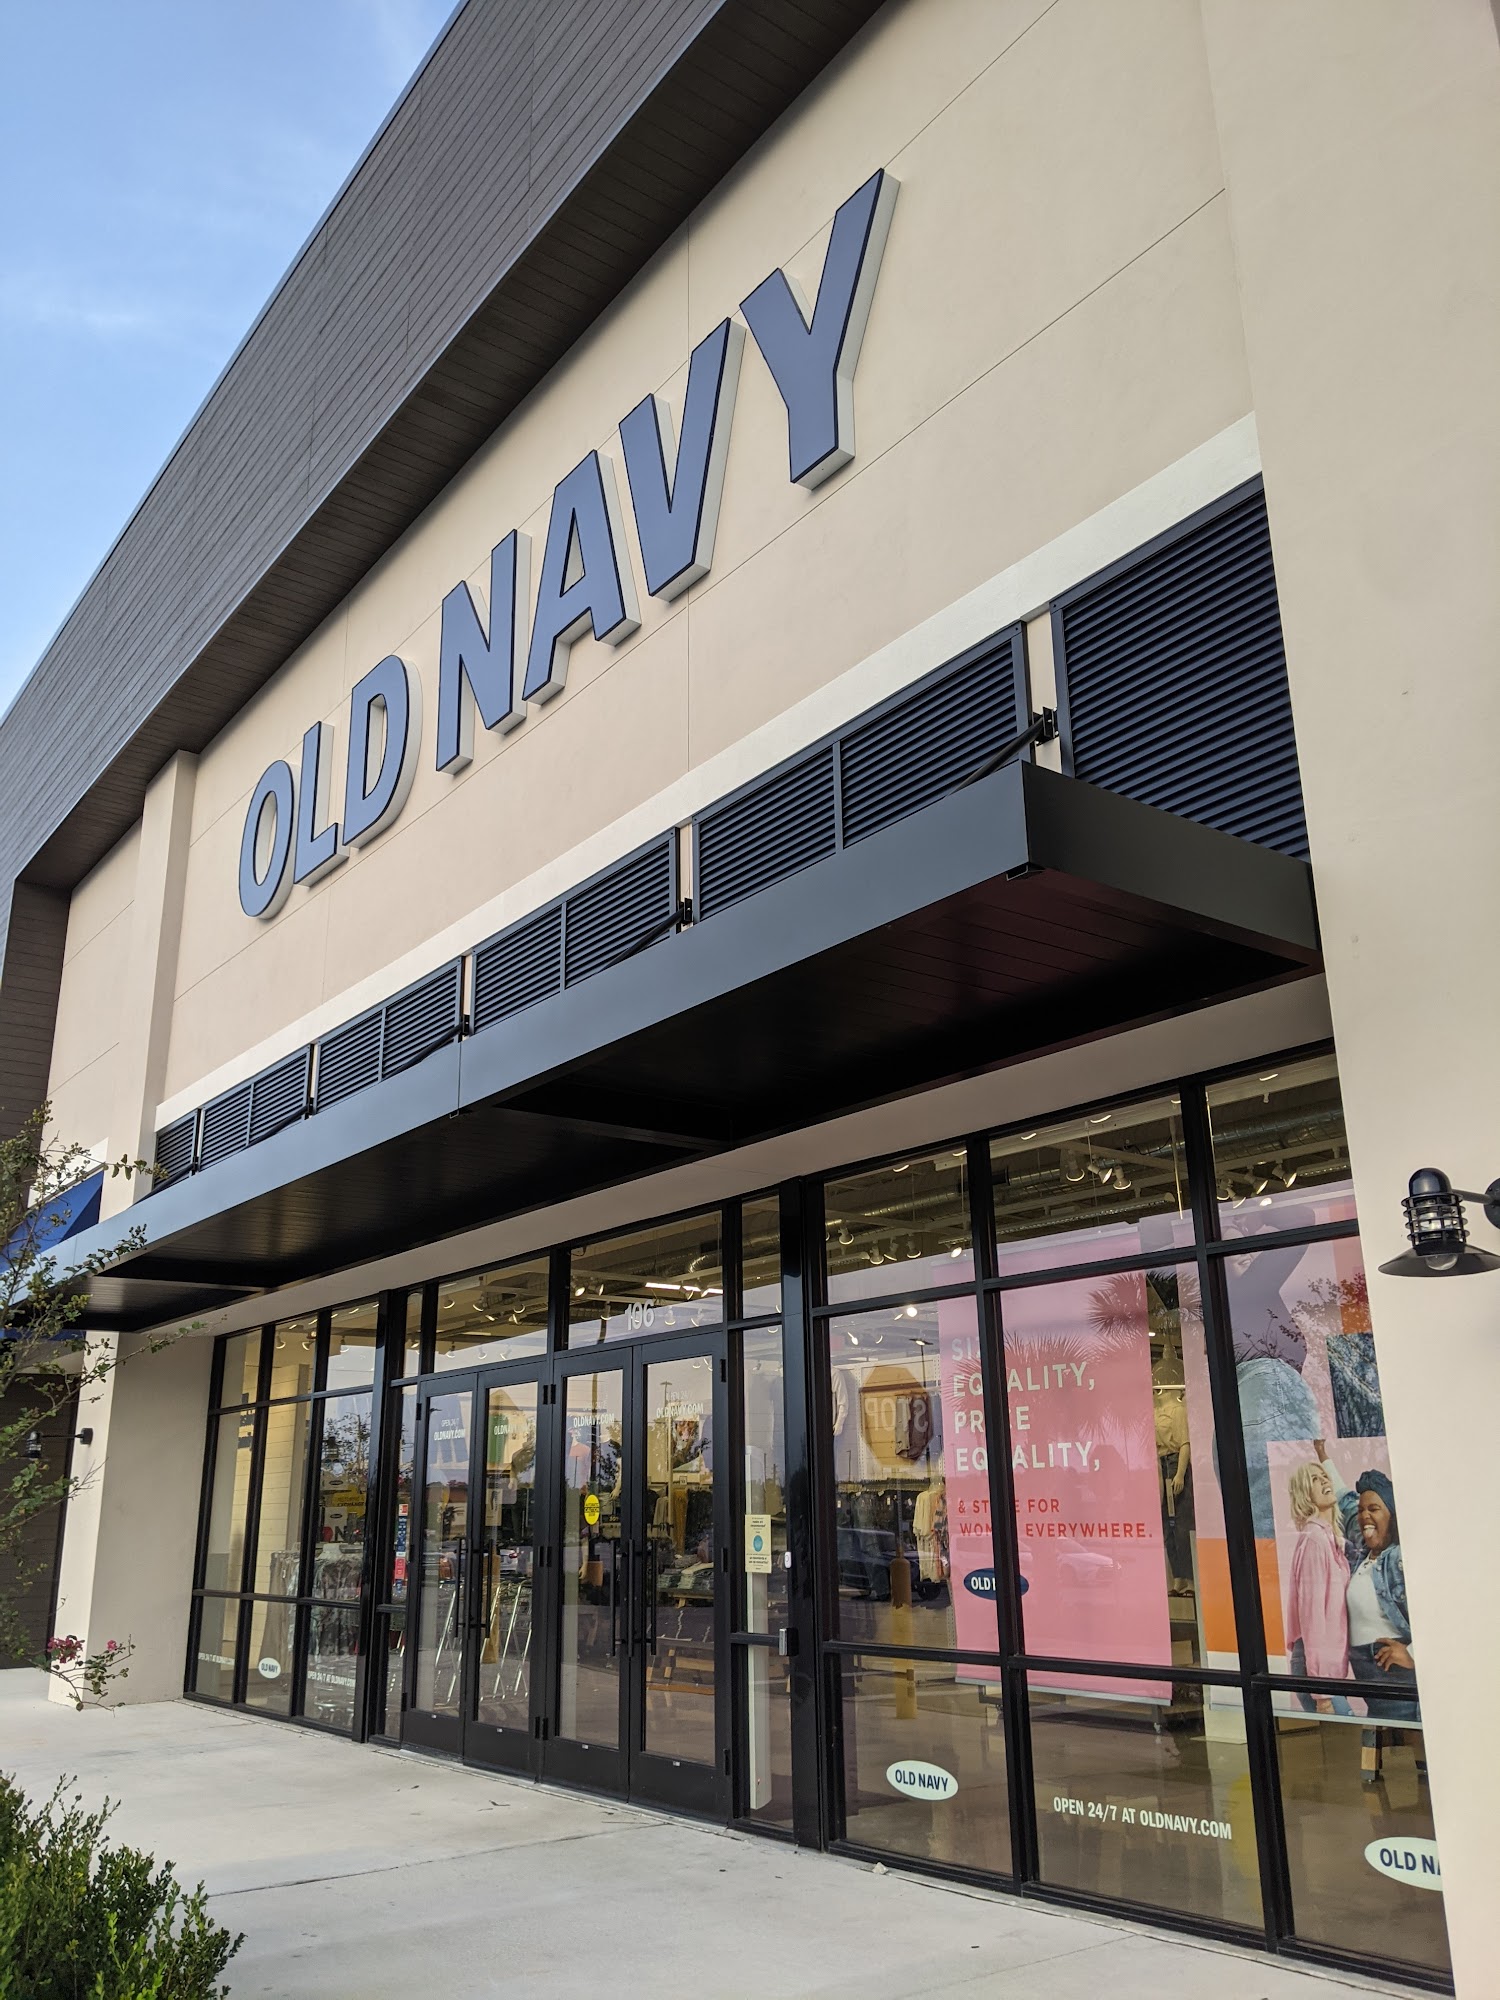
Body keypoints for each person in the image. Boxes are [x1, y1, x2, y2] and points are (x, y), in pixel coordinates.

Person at [1318, 1450, 1418, 1724]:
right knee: (1380, 1735)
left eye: (1374, 1509)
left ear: (1392, 1515)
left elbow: (1441, 1612)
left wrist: (1412, 1653)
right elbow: (1345, 1500)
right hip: (1367, 1679)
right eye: (1362, 1510)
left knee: (1408, 1736)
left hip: (1394, 1676)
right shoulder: (1363, 1552)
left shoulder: (1399, 1558)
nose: (1364, 1516)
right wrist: (1322, 1454)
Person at [1284, 1458, 1351, 1713]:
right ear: (1305, 1493)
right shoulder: (1314, 1539)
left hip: (1323, 1669)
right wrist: (1322, 1695)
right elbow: (1312, 1617)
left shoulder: (1327, 1538)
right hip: (1316, 1670)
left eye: (1324, 1476)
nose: (1324, 1480)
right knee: (1355, 1734)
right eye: (1314, 1479)